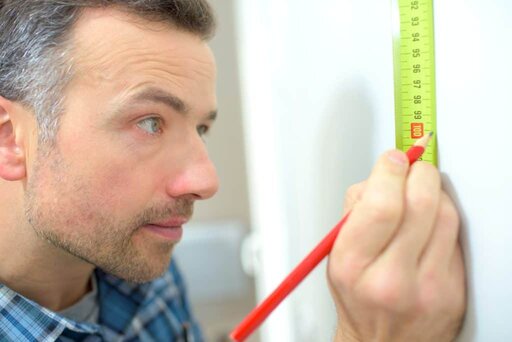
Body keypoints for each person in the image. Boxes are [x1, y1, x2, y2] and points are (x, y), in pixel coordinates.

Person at [0, 1, 465, 341]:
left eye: (200, 127)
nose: (205, 181)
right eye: (149, 122)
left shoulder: (138, 260)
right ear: (9, 137)